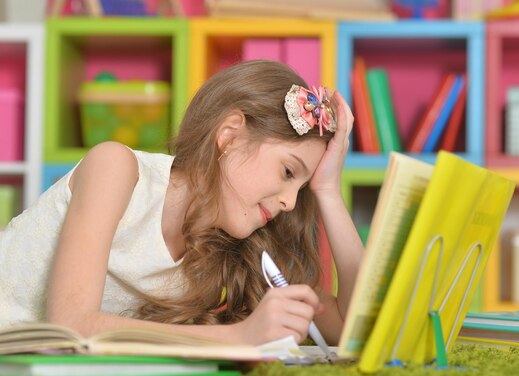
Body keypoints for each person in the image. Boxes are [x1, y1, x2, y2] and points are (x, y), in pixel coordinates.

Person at [0, 59, 364, 347]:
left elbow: (352, 328)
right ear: (230, 135)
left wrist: (328, 189)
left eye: (302, 188)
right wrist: (237, 337)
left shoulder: (236, 250)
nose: (289, 202)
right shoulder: (116, 168)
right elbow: (70, 327)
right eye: (288, 172)